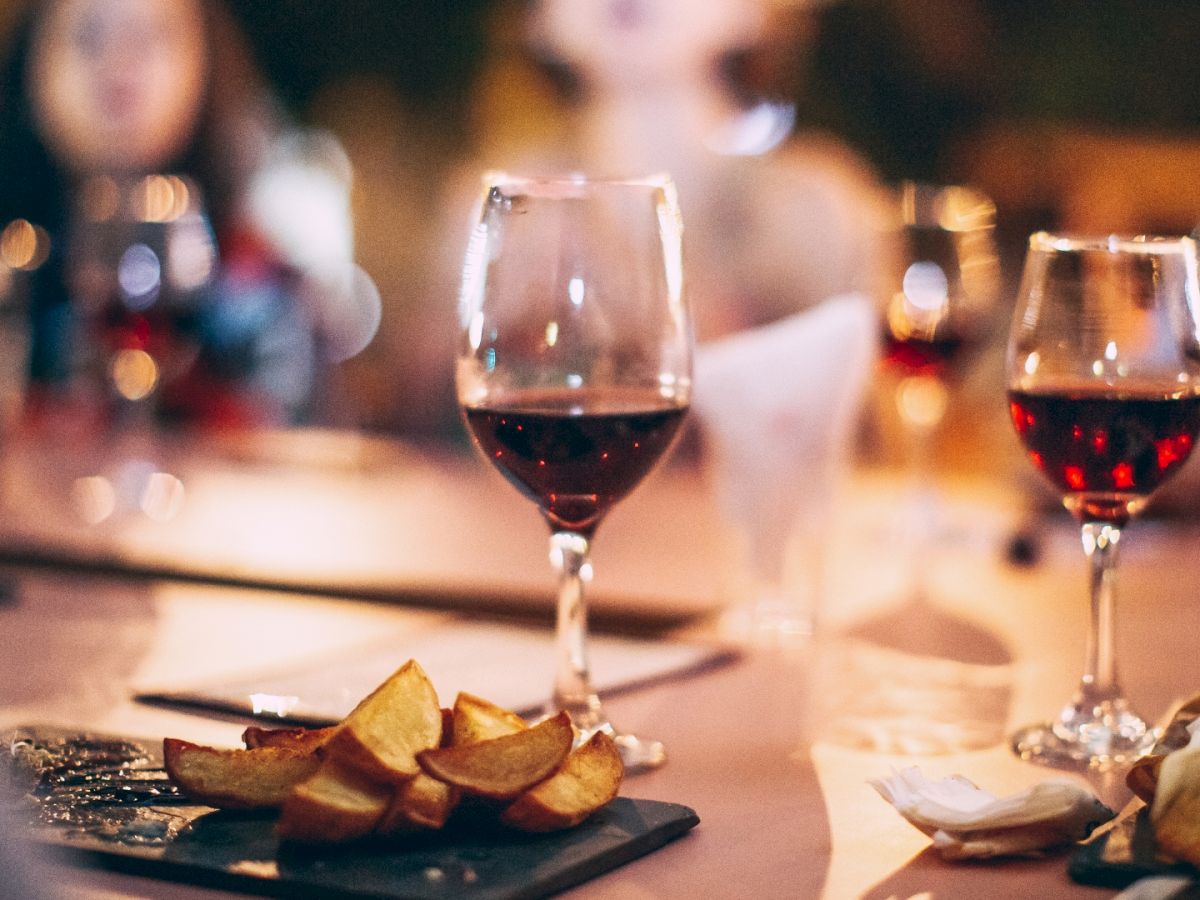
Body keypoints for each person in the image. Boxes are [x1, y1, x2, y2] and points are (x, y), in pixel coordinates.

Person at [0, 0, 372, 431]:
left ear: (205, 63)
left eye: (152, 37)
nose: (120, 62)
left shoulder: (258, 295)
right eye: (89, 37)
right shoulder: (14, 269)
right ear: (31, 59)